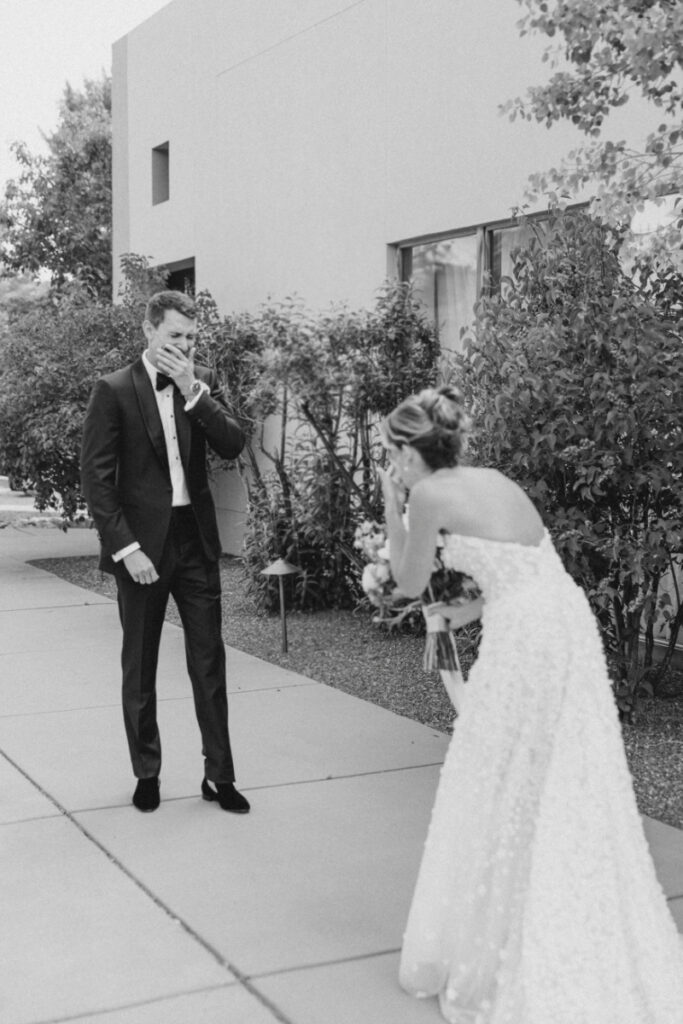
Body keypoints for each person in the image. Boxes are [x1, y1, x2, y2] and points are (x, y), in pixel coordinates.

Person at [380, 384, 683, 1023]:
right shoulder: (494, 479)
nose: (395, 465)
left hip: (527, 639)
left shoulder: (428, 492)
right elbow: (528, 570)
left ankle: (527, 940)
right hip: (563, 623)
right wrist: (466, 609)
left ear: (414, 449)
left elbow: (407, 581)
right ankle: (557, 910)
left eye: (395, 454)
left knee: (501, 768)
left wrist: (391, 503)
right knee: (562, 768)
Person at [81, 290, 250, 815]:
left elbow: (232, 444)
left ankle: (219, 776)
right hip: (142, 548)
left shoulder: (199, 386)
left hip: (194, 540)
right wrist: (126, 548)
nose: (183, 344)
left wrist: (191, 390)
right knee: (141, 665)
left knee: (209, 663)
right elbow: (97, 479)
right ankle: (147, 773)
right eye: (174, 335)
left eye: (191, 338)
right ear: (149, 331)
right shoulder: (112, 391)